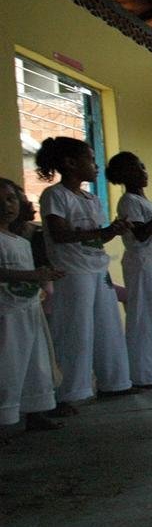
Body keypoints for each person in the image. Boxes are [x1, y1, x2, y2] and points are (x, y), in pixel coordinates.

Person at [37, 137, 136, 414]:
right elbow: (60, 233)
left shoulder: (91, 198)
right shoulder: (55, 195)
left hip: (96, 268)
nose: (95, 166)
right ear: (70, 164)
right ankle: (68, 392)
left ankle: (115, 382)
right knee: (75, 330)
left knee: (108, 327)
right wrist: (104, 232)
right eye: (90, 159)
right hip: (73, 271)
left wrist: (109, 231)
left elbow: (95, 237)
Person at [106, 152, 152, 388]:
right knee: (144, 320)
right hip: (143, 265)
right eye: (137, 168)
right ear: (125, 175)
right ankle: (143, 374)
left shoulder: (144, 200)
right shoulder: (128, 201)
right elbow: (140, 234)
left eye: (144, 166)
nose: (144, 172)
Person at [0, 177, 63, 433]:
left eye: (11, 199)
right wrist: (32, 276)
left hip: (28, 309)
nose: (7, 206)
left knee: (35, 363)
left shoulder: (21, 241)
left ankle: (35, 410)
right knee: (8, 366)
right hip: (7, 313)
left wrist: (42, 275)